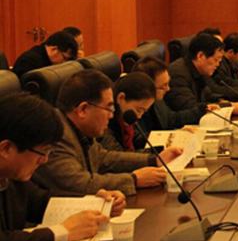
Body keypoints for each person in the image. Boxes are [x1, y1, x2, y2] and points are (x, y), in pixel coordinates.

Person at [0, 93, 125, 241]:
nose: (44, 160)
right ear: (6, 149)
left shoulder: (11, 176)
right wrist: (63, 232)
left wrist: (96, 203)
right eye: (42, 152)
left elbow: (40, 201)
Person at [32, 70, 182, 196]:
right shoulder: (56, 135)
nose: (111, 115)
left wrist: (153, 160)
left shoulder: (77, 129)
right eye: (108, 108)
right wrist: (133, 180)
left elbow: (104, 158)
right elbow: (78, 184)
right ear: (83, 109)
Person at [130, 56, 211, 140]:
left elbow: (171, 119)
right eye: (163, 86)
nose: (168, 89)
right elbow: (139, 140)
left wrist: (202, 110)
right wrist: (171, 135)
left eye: (167, 83)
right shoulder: (133, 107)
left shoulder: (157, 100)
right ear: (147, 87)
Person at [165, 33, 238, 114]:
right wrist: (228, 108)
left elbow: (209, 95)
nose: (218, 65)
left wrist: (223, 102)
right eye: (216, 60)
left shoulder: (200, 70)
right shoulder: (178, 74)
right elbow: (191, 107)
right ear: (200, 56)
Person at [100, 72, 157, 151]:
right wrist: (151, 156)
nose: (139, 116)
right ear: (121, 98)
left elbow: (135, 138)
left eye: (144, 112)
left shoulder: (125, 116)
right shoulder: (105, 121)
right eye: (139, 110)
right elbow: (118, 154)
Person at [12, 31, 78, 79]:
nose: (65, 63)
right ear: (54, 49)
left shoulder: (46, 57)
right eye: (64, 58)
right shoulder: (29, 61)